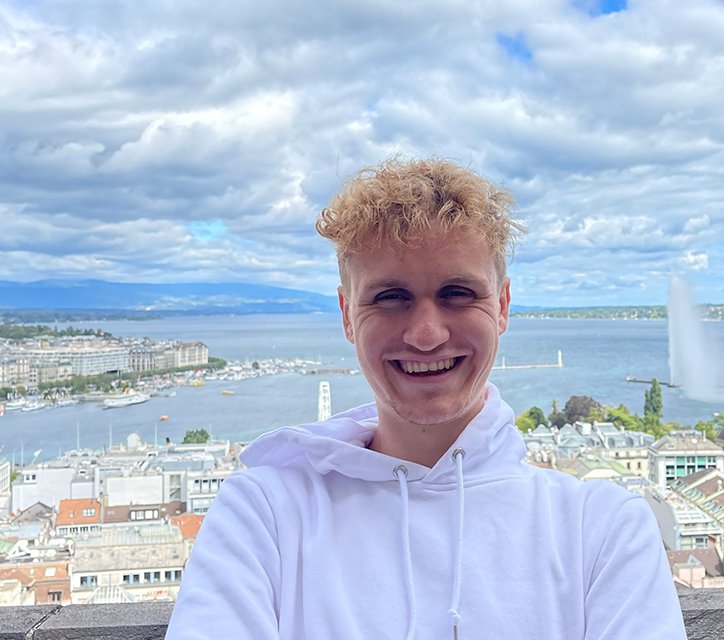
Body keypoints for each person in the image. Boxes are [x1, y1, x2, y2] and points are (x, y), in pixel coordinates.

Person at [165, 158, 687, 639]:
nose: (425, 334)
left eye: (458, 294)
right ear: (348, 315)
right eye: (391, 298)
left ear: (501, 306)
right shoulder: (265, 515)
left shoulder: (602, 529)